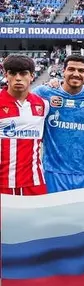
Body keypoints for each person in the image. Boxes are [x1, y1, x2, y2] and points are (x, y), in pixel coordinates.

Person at [33, 53, 84, 192]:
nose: (76, 74)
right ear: (63, 71)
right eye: (71, 69)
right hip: (53, 172)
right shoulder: (44, 93)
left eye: (81, 70)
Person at [0, 53, 49, 196]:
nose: (18, 78)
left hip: (35, 182)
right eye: (13, 73)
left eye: (23, 73)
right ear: (6, 75)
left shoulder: (43, 105)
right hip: (3, 182)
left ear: (32, 76)